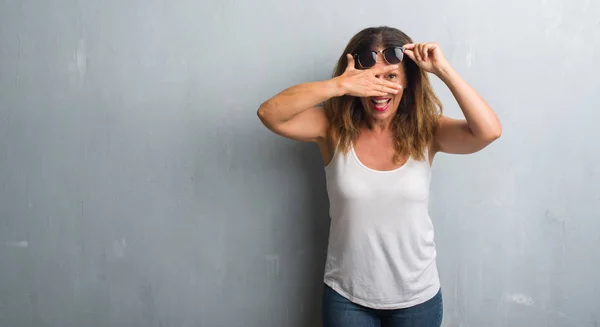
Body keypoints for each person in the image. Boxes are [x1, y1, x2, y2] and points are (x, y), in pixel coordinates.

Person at [257, 26, 501, 327]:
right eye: (370, 79)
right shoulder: (331, 129)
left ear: (408, 83)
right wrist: (338, 86)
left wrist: (443, 69)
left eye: (391, 77)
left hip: (417, 298)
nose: (379, 90)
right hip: (347, 297)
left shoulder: (427, 132)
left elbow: (488, 131)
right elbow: (270, 113)